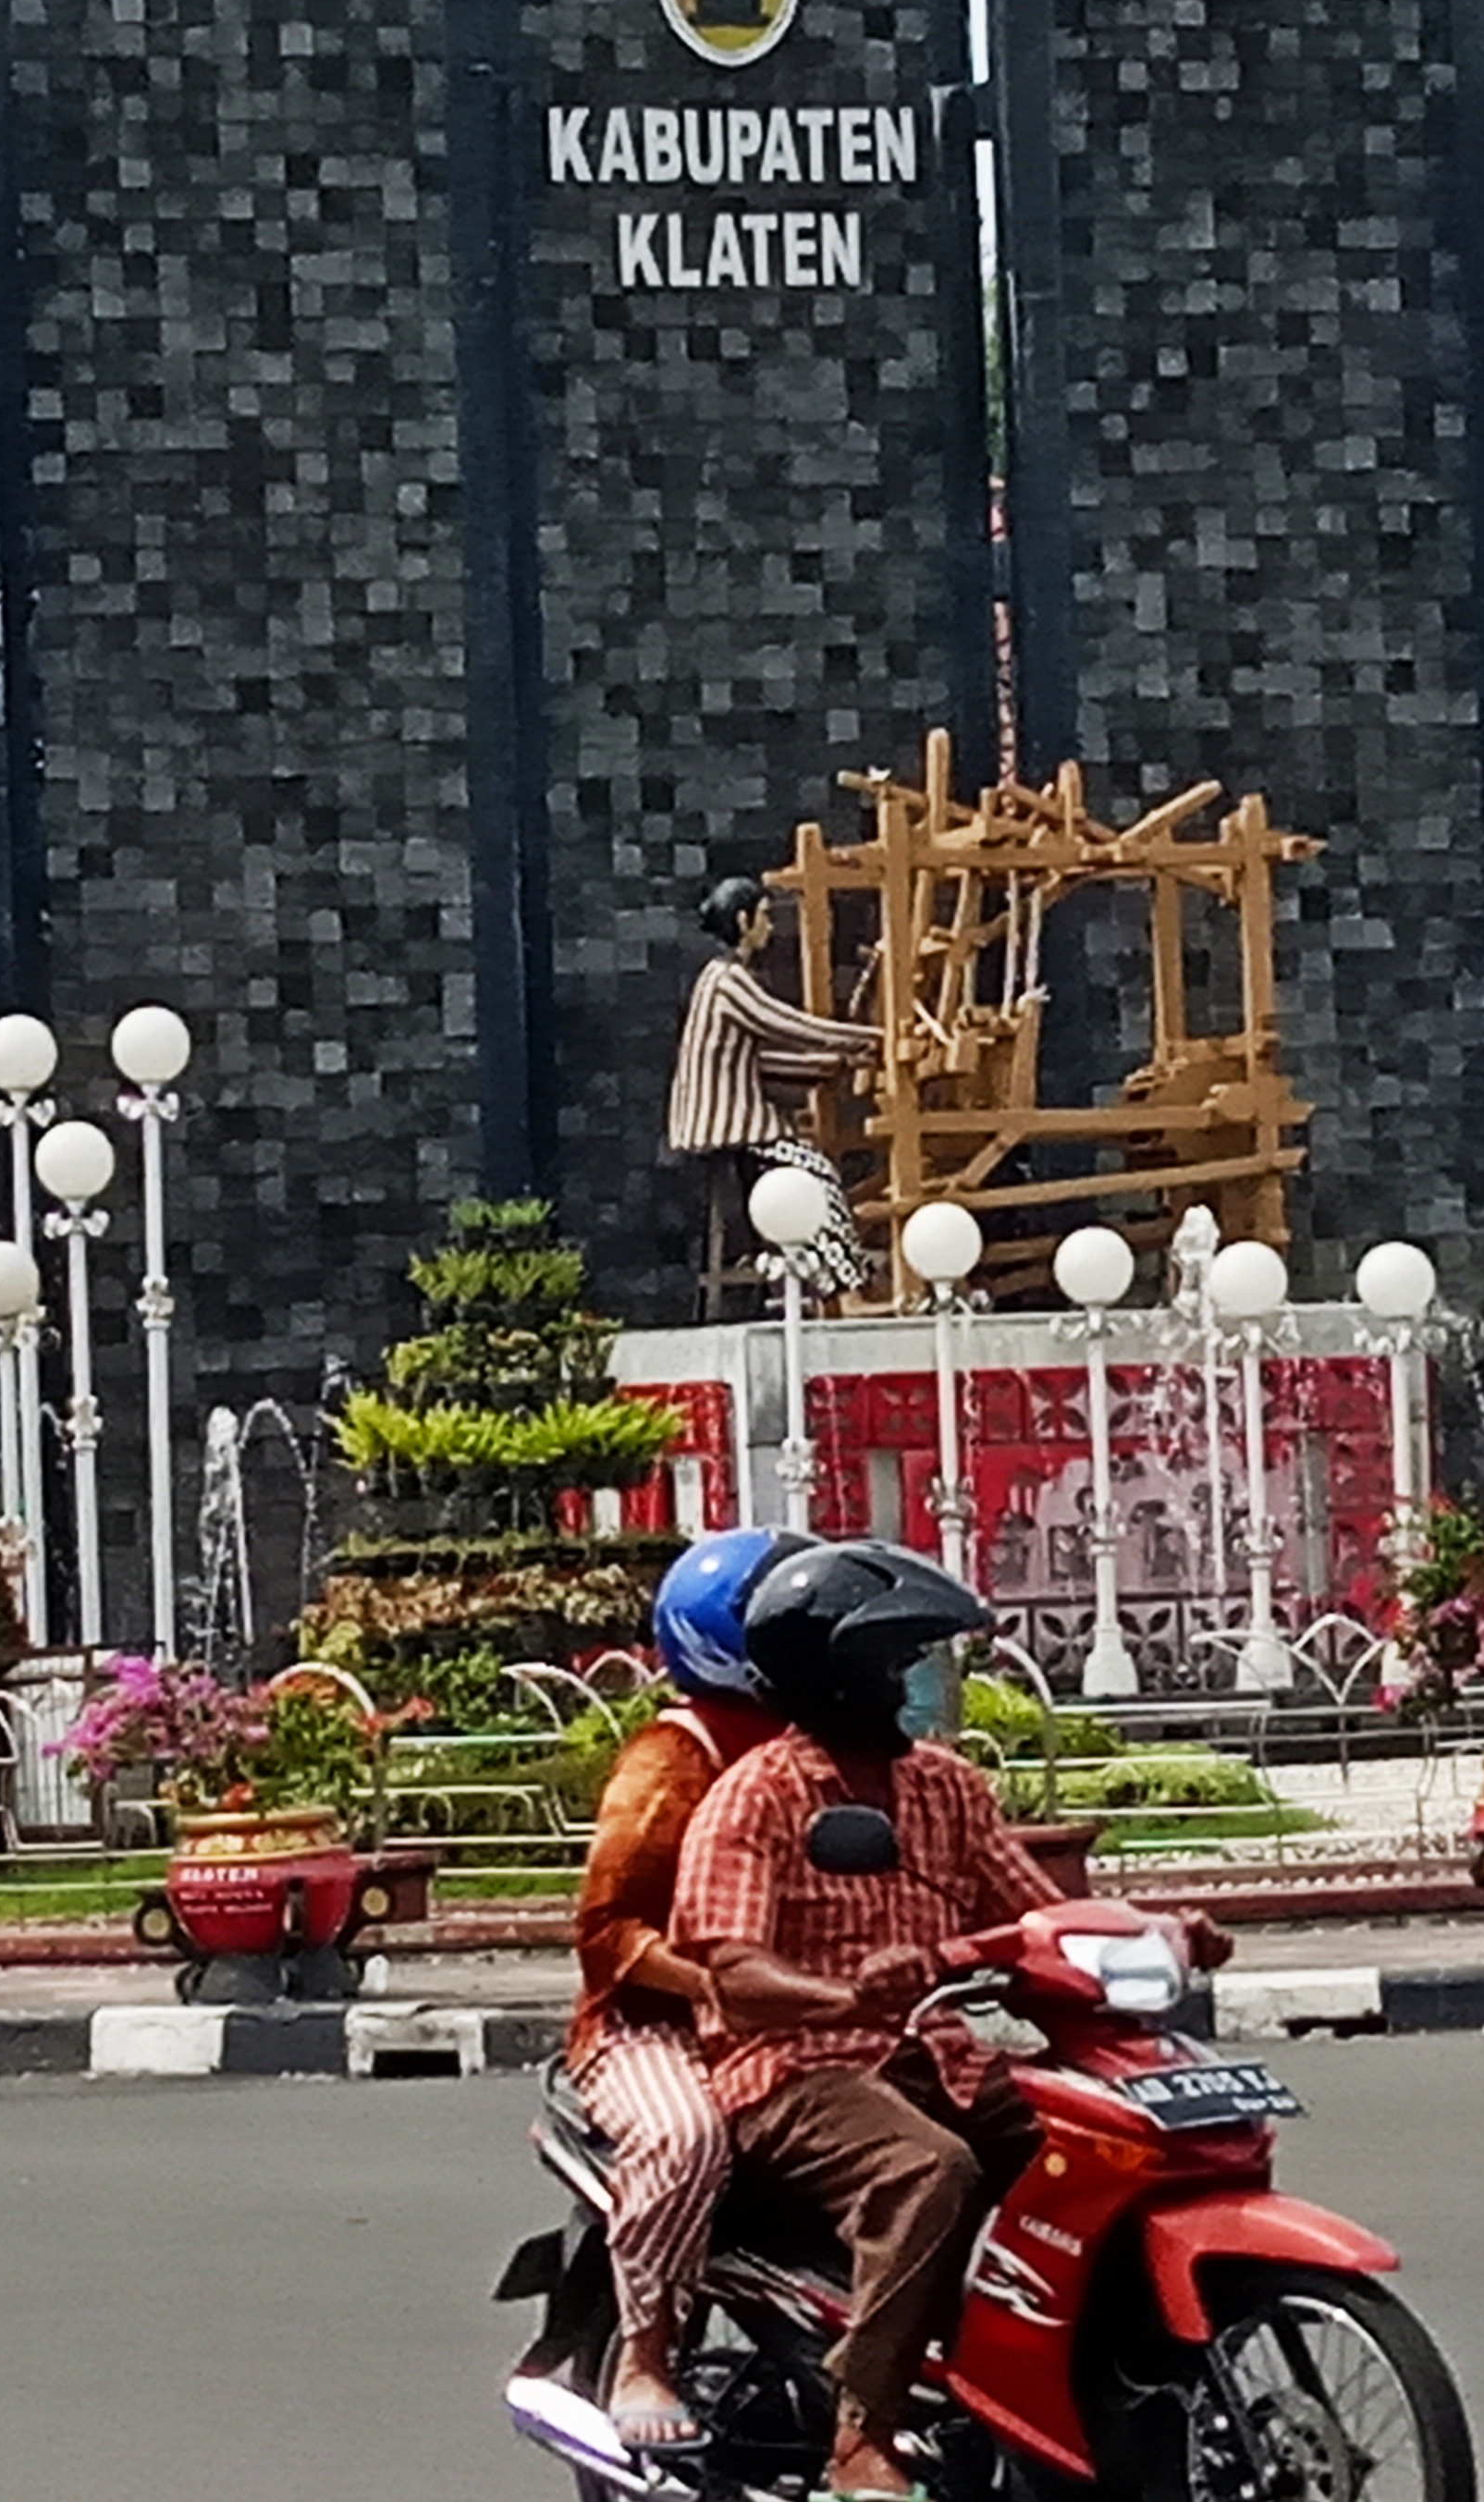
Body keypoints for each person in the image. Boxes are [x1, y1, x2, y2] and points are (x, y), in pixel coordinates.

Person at [670, 1540, 1233, 2502]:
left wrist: (1159, 1934)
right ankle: (863, 2433)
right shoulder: (756, 1797)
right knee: (930, 2171)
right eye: (901, 1666)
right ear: (843, 1676)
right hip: (796, 2069)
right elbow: (732, 1975)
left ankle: (1075, 2385)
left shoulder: (946, 1788)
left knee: (1110, 2148)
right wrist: (842, 1996)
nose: (920, 1687)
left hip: (941, 2057)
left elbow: (1032, 1919)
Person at [566, 1526, 799, 2452]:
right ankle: (646, 2352)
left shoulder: (811, 1738)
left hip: (798, 2005)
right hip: (647, 2028)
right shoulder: (673, 1756)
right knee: (685, 2134)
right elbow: (607, 1930)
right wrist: (712, 1986)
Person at [667, 875, 878, 1301]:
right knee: (818, 1175)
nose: (770, 927)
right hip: (733, 1127)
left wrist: (832, 1064)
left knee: (808, 1173)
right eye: (764, 916)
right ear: (743, 920)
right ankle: (846, 1282)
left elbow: (760, 1060)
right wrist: (869, 1039)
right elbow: (786, 1026)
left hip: (731, 1122)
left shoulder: (717, 979)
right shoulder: (729, 982)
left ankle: (826, 1276)